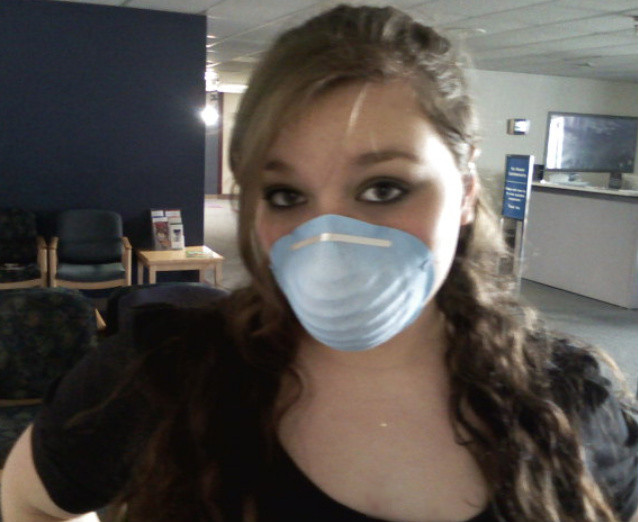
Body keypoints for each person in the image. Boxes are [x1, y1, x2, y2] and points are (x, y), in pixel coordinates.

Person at [2, 5, 637, 522]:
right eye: (286, 195)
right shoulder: (164, 374)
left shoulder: (568, 404)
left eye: (384, 188)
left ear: (466, 190)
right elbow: (27, 500)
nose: (329, 238)